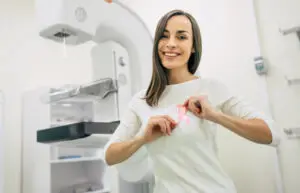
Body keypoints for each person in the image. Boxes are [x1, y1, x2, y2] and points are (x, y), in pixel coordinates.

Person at [103, 9, 281, 193]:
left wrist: (215, 116)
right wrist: (142, 138)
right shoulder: (142, 100)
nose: (171, 44)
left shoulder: (211, 88)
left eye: (181, 37)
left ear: (193, 46)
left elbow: (272, 135)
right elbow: (109, 156)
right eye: (165, 37)